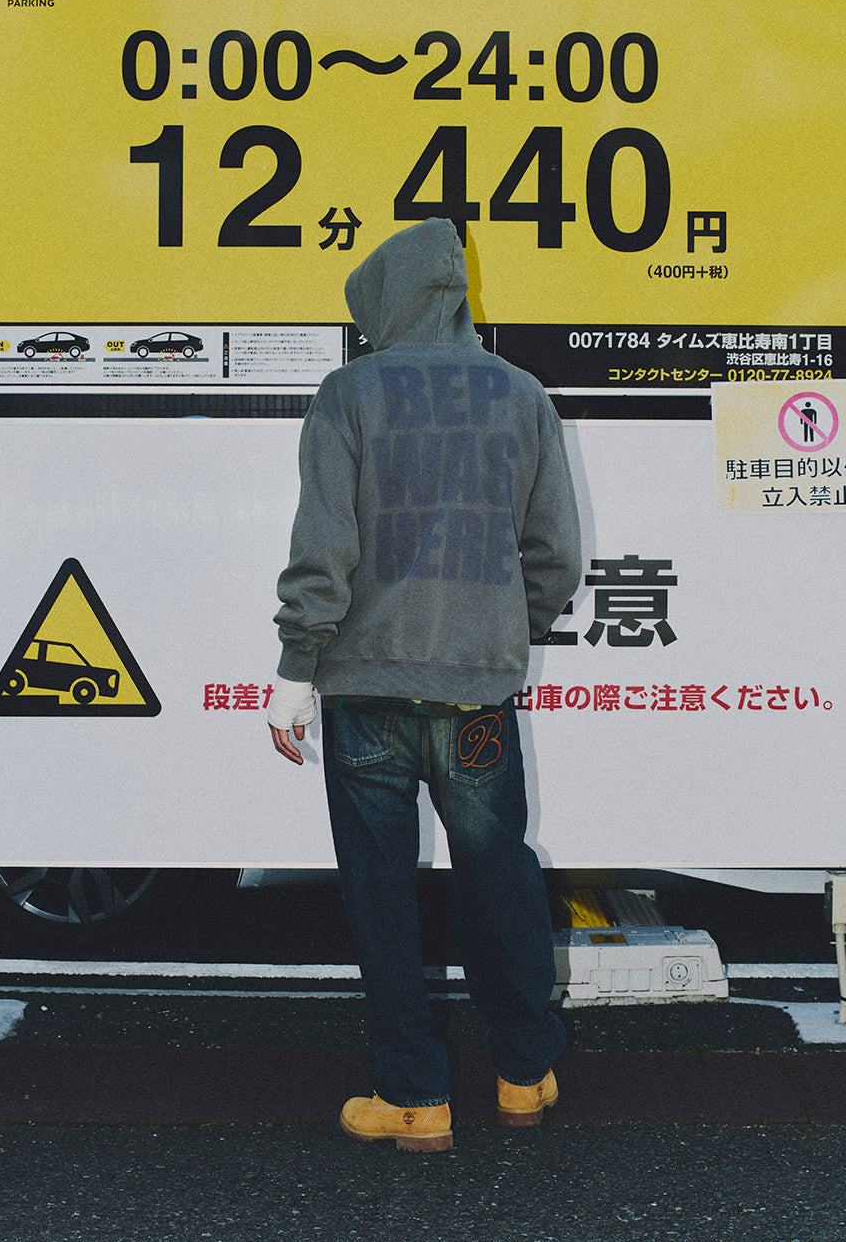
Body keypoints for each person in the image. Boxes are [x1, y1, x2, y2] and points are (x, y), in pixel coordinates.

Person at [267, 217, 582, 1152]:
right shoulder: (520, 393)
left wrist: (296, 667)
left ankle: (413, 1097)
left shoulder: (350, 393)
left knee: (381, 893)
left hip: (364, 689)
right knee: (499, 878)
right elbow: (556, 557)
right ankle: (523, 1074)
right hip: (475, 692)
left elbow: (323, 546)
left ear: (384, 302)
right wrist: (505, 629)